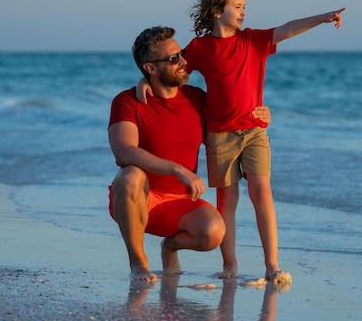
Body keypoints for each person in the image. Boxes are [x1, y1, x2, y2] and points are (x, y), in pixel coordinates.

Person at [138, 0, 346, 281]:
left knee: (262, 193)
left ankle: (271, 264)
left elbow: (287, 28)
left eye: (244, 6)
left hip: (255, 131)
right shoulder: (199, 47)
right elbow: (172, 67)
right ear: (217, 11)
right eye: (237, 6)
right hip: (219, 137)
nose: (244, 12)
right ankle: (230, 265)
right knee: (227, 202)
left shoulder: (253, 41)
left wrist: (322, 18)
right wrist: (145, 80)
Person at [108, 25, 272, 282]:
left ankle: (170, 247)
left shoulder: (197, 98)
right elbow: (123, 152)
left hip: (180, 205)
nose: (184, 62)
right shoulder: (127, 101)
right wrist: (177, 168)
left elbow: (228, 128)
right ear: (150, 68)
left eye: (182, 54)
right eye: (174, 59)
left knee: (213, 231)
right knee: (129, 175)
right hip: (140, 200)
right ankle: (138, 263)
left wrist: (259, 116)